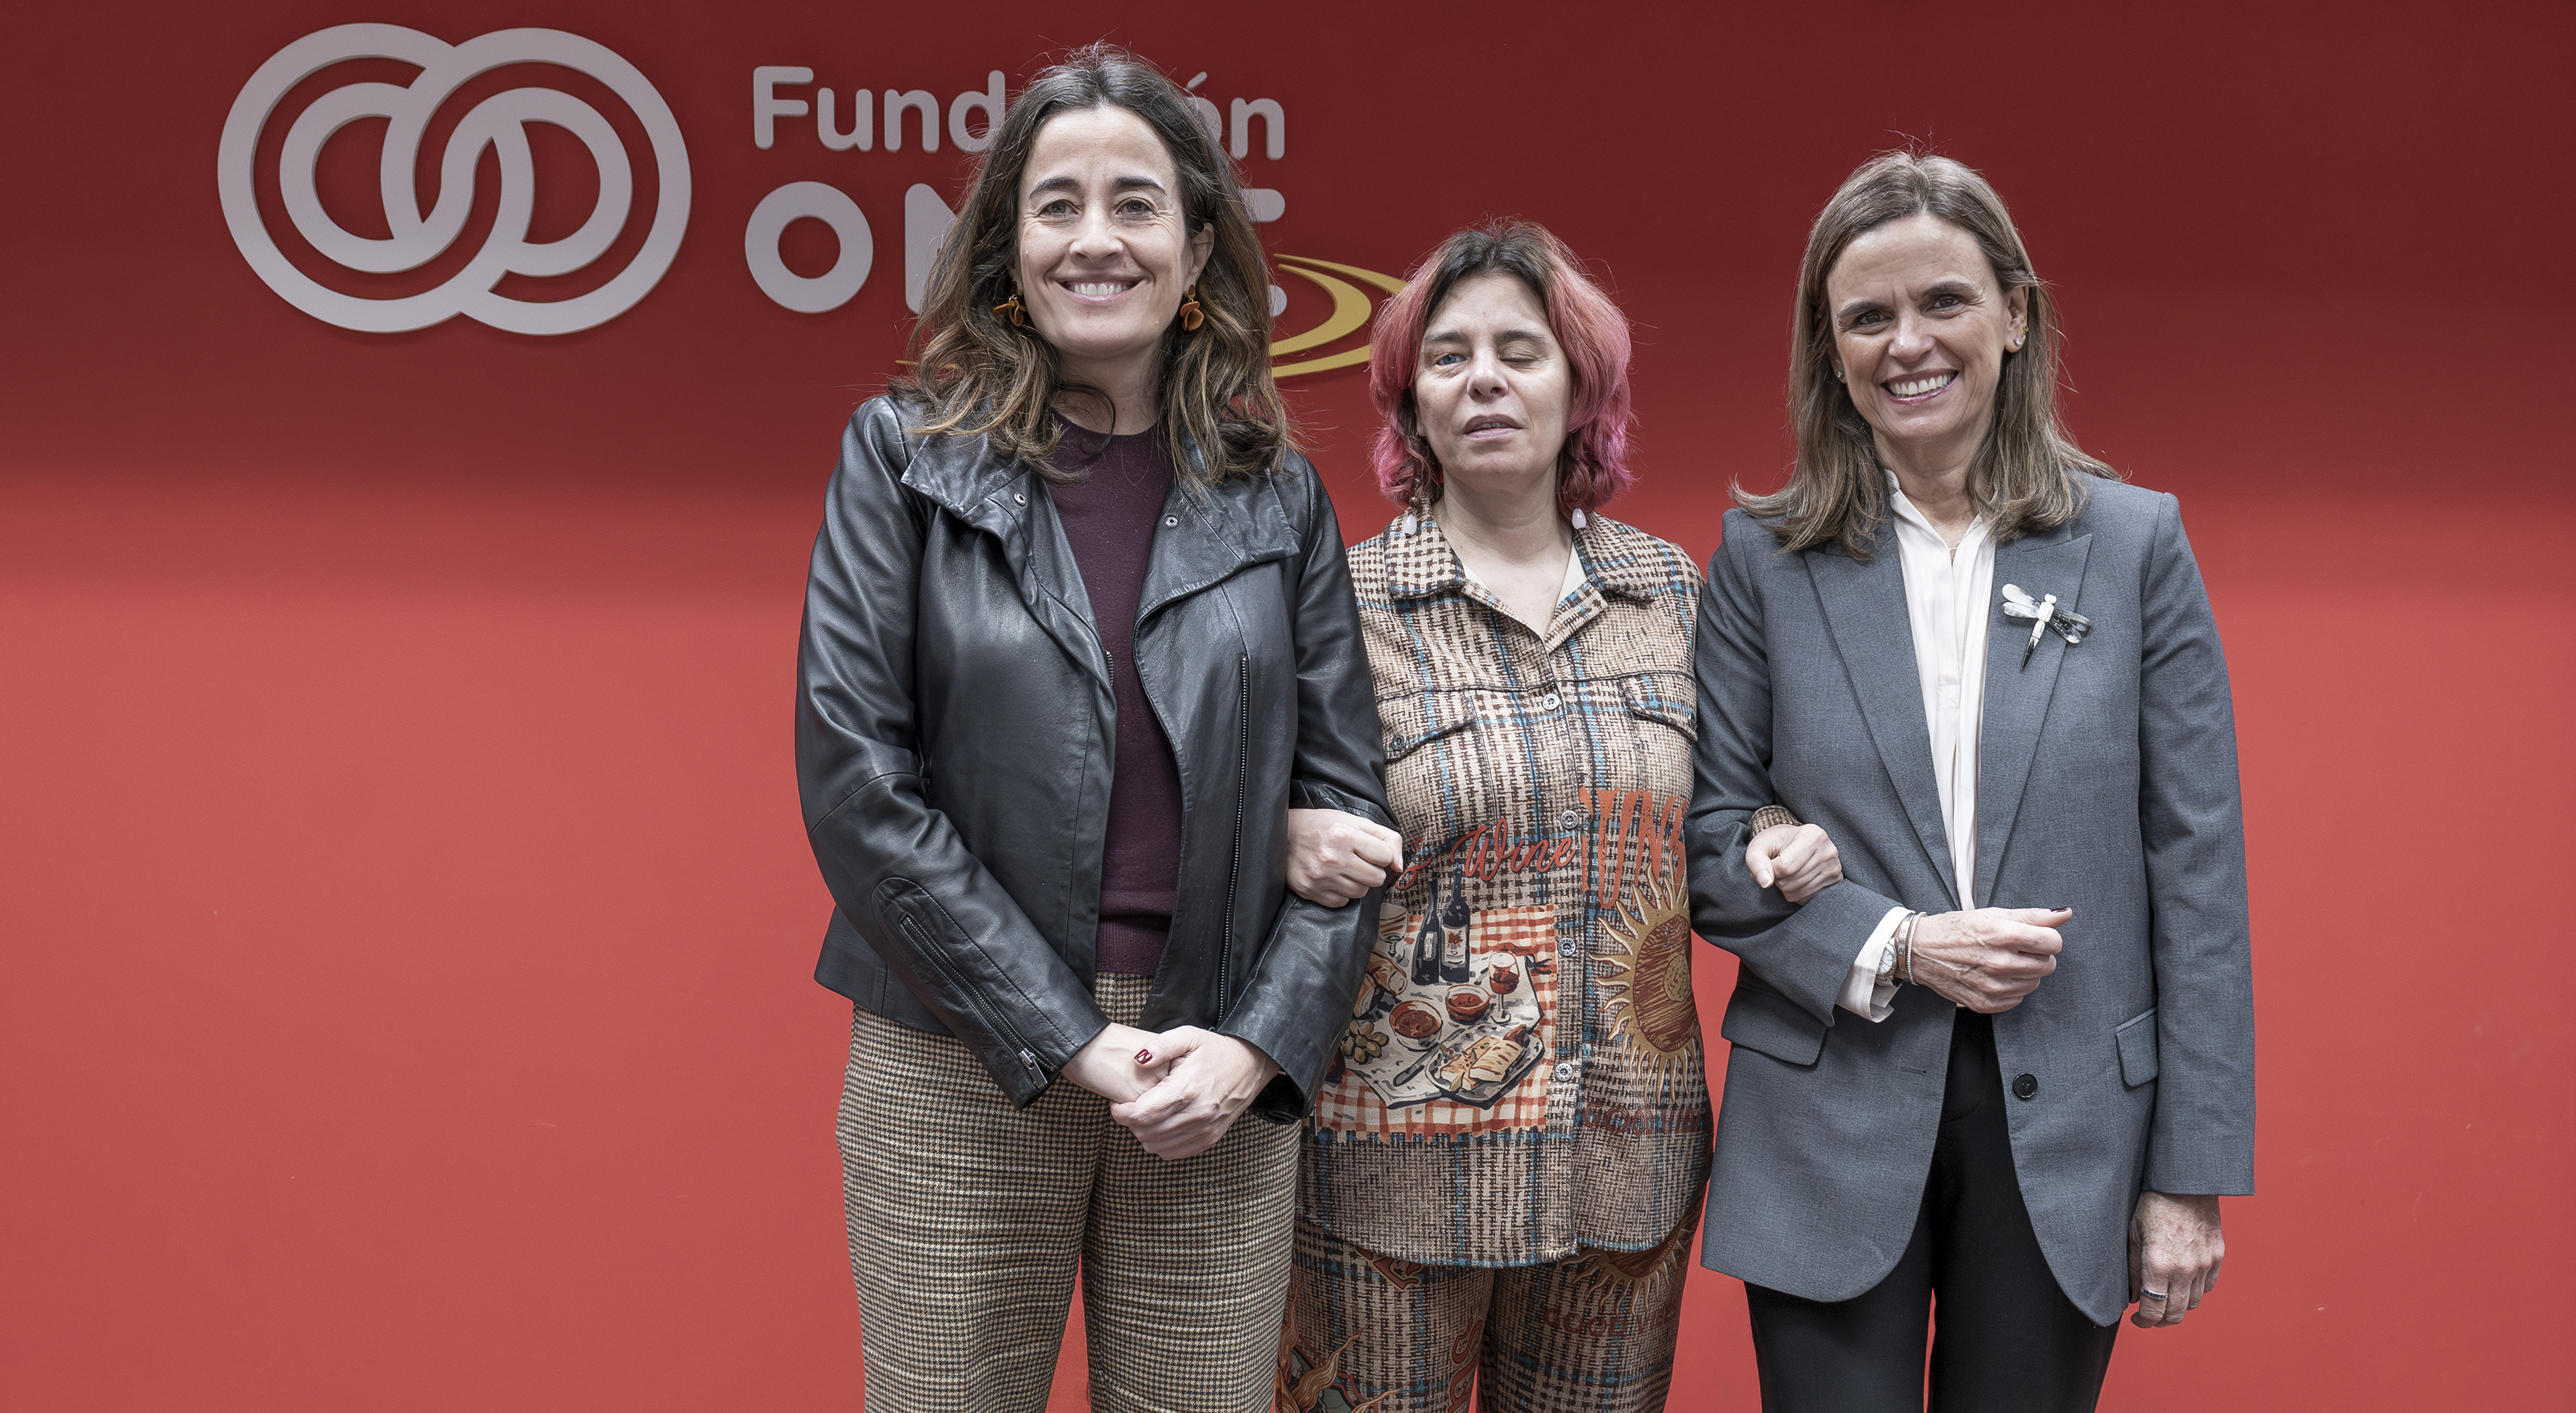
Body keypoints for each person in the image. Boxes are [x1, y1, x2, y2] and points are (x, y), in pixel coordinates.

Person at [793, 45, 1390, 1413]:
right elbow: (858, 788)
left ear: (1197, 251)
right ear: (1007, 248)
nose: (1096, 239)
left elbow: (1352, 819)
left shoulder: (1277, 497)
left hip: (1212, 1071)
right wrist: (1070, 1037)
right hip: (959, 1051)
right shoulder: (902, 458)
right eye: (1056, 205)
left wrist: (1253, 1049)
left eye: (1136, 204)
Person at [1686, 151, 2255, 1411]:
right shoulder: (1761, 562)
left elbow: (2198, 871)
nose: (1909, 343)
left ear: (2014, 314)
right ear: (1830, 352)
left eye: (1943, 301)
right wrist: (1897, 944)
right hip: (1826, 1113)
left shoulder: (2134, 544)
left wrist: (2189, 1175)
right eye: (1868, 318)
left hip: (2070, 1134)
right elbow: (1710, 841)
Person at [1270, 223, 1837, 1412]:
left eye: (1520, 351)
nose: (1484, 378)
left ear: (1582, 387)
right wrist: (1277, 835)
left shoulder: (1672, 591)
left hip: (1623, 1174)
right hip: (1392, 1169)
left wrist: (1777, 830)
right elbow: (1241, 813)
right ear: (1408, 403)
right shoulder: (1339, 601)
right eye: (1449, 356)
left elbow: (1726, 798)